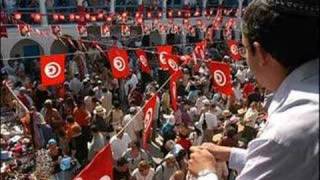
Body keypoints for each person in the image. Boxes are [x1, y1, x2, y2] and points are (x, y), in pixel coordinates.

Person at [188, 0, 319, 179]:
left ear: (262, 53)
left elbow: (286, 148)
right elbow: (291, 159)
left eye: (245, 49)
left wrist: (205, 172)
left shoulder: (288, 129)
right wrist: (232, 155)